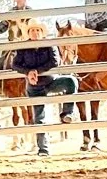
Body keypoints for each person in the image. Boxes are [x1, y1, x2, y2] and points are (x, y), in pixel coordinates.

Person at [8, 22, 77, 157]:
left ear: (42, 32)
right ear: (28, 33)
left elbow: (55, 61)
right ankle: (43, 149)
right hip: (35, 87)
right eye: (32, 30)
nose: (35, 33)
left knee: (71, 81)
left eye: (38, 30)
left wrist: (36, 71)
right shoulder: (23, 47)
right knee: (39, 117)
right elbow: (15, 65)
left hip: (51, 81)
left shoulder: (49, 44)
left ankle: (67, 113)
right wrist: (28, 72)